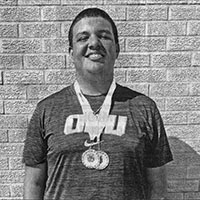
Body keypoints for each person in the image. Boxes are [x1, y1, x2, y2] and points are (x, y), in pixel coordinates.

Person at [23, 7, 173, 200]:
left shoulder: (144, 108)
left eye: (103, 36)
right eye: (83, 38)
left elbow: (157, 188)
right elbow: (34, 184)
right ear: (71, 52)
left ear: (117, 49)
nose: (94, 43)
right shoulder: (46, 109)